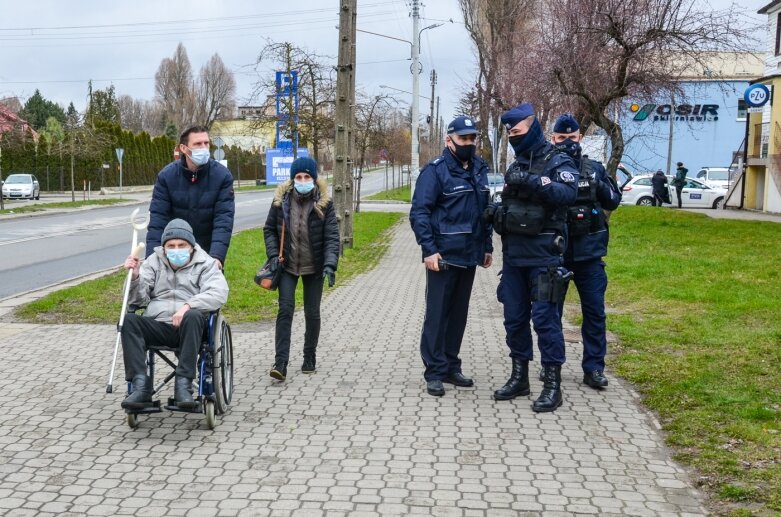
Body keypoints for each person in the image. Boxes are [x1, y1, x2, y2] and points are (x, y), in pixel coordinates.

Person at [484, 103, 578, 413]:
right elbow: (510, 203)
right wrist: (497, 215)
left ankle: (553, 385)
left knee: (545, 321)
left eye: (517, 132)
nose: (513, 138)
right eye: (509, 134)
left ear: (533, 127)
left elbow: (568, 194)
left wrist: (537, 183)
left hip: (544, 256)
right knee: (514, 319)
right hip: (514, 257)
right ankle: (519, 377)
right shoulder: (515, 165)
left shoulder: (557, 160)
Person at [409, 115, 493, 397]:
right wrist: (429, 250)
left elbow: (484, 212)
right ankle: (433, 371)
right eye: (463, 139)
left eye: (472, 139)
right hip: (442, 257)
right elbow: (419, 212)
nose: (468, 143)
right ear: (449, 140)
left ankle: (450, 365)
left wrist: (488, 246)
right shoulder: (435, 171)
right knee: (437, 315)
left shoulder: (480, 169)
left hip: (470, 255)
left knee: (458, 316)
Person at [120, 218, 229, 410]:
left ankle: (183, 385)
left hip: (191, 328)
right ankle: (140, 385)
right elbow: (136, 300)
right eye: (171, 245)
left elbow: (219, 293)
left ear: (191, 246)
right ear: (164, 247)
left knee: (194, 315)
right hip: (158, 324)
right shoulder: (153, 262)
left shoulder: (206, 263)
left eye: (181, 245)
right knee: (128, 321)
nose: (176, 249)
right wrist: (135, 277)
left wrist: (188, 306)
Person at [550, 113, 622, 389]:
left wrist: (598, 183)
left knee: (594, 313)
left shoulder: (595, 168)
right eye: (562, 138)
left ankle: (594, 368)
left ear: (580, 138)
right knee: (551, 314)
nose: (567, 142)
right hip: (557, 253)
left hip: (590, 255)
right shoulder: (547, 168)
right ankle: (552, 366)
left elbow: (613, 201)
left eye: (572, 137)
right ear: (553, 139)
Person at [263, 156, 339, 381]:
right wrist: (273, 255)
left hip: (313, 266)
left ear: (314, 179)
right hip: (287, 266)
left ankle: (309, 356)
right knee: (285, 310)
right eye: (298, 177)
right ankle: (281, 362)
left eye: (307, 177)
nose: (303, 180)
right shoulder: (281, 201)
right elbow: (269, 229)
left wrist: (329, 265)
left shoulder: (324, 203)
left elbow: (332, 237)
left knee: (312, 312)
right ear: (293, 179)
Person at [147, 125, 236, 269]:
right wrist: (151, 260)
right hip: (175, 252)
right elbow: (158, 220)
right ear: (183, 148)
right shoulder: (166, 177)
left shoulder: (222, 176)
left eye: (206, 143)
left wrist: (217, 257)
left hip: (207, 253)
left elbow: (223, 220)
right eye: (197, 144)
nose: (204, 148)